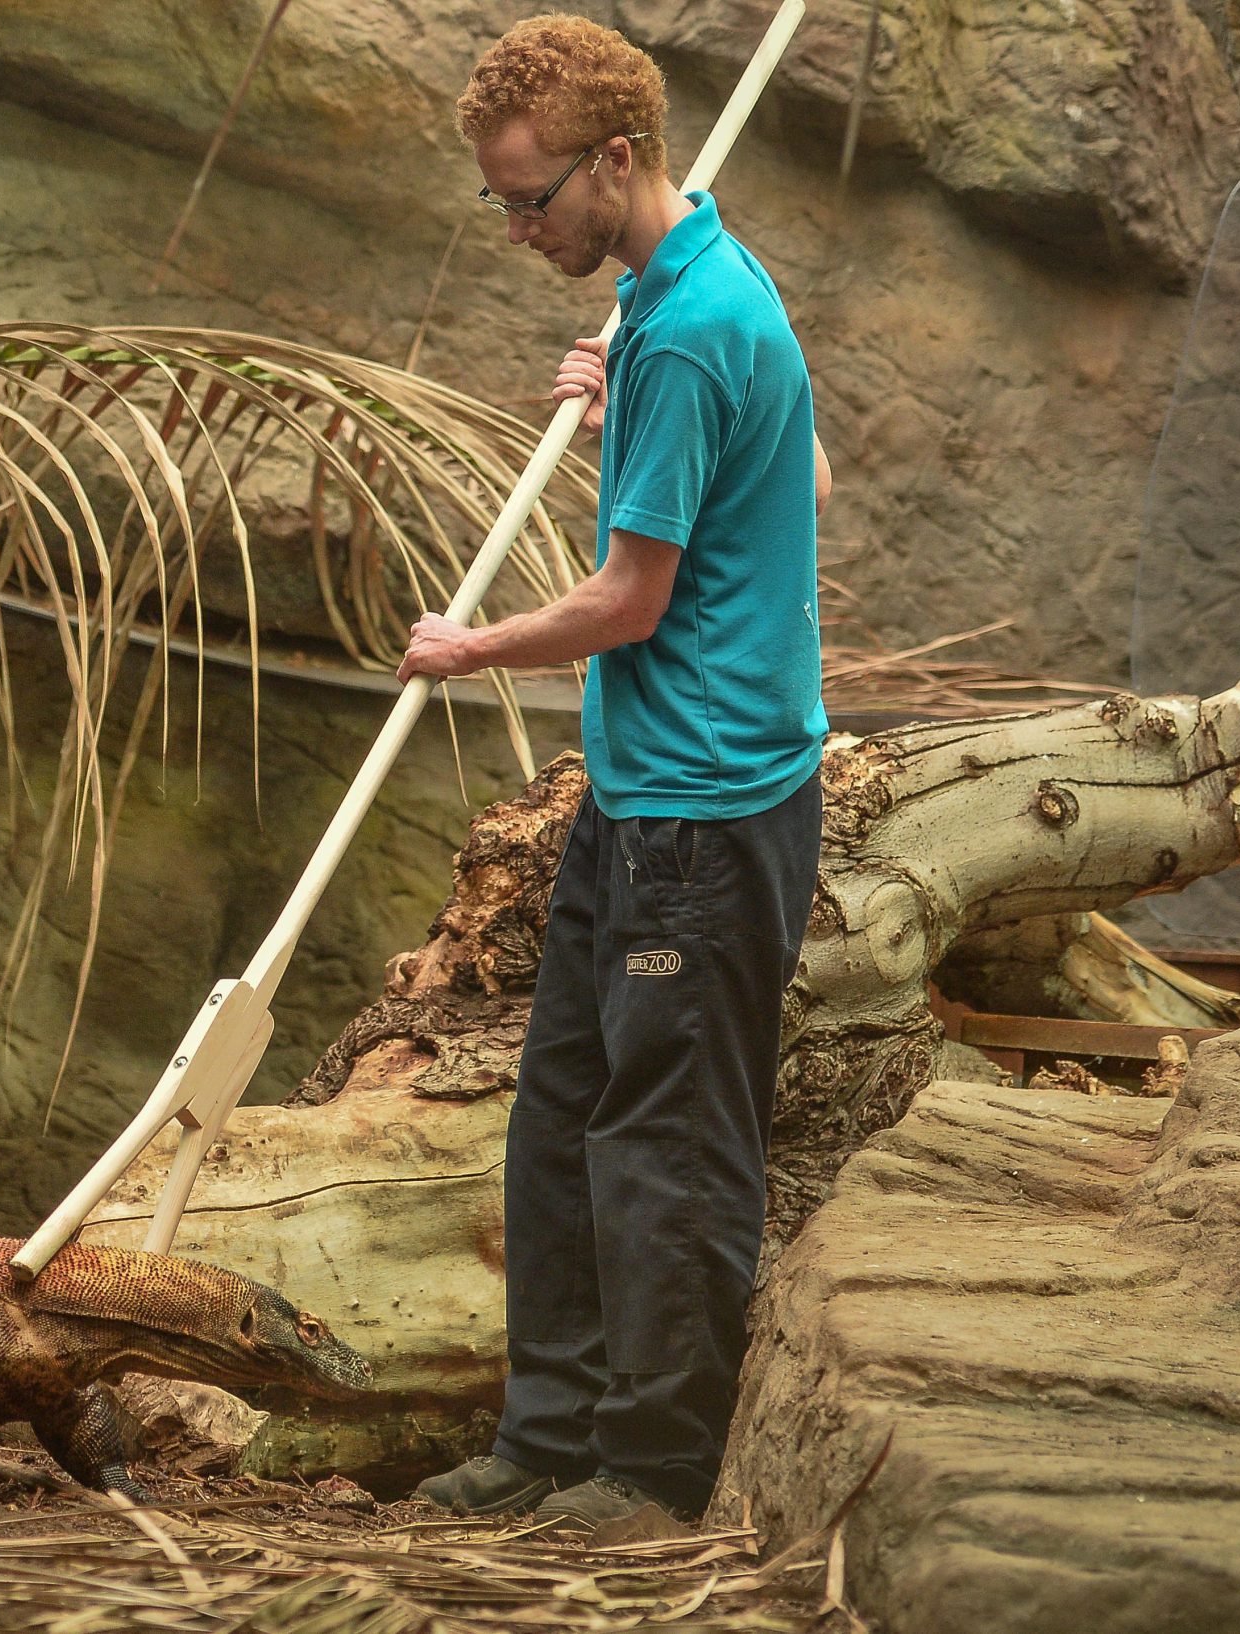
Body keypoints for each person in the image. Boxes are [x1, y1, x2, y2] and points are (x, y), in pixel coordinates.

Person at [399, 15, 830, 1537]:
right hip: (638, 790)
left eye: (534, 200)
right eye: (501, 204)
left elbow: (629, 601)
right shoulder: (674, 294)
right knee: (564, 1111)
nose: (520, 231)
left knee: (668, 1143)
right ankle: (550, 1430)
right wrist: (625, 355)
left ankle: (650, 1471)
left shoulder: (700, 323)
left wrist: (471, 647)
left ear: (620, 161)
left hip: (707, 813)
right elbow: (787, 467)